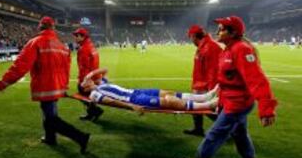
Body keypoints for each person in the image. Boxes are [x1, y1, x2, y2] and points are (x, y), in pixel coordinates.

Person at [178, 16, 278, 158]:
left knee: (215, 133)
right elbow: (228, 79)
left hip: (238, 103)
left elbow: (257, 80)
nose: (217, 31)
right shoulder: (228, 50)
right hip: (231, 101)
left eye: (222, 29)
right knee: (240, 134)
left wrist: (266, 109)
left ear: (232, 33)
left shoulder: (241, 50)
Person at [0, 17, 90, 154]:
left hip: (45, 86)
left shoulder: (35, 43)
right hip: (57, 85)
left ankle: (81, 137)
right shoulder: (61, 45)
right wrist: (64, 86)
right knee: (49, 114)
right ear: (53, 28)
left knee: (51, 118)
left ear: (40, 27)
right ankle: (50, 138)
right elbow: (66, 69)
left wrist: (3, 83)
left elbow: (20, 66)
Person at [81, 68, 218, 112]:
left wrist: (89, 75)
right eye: (85, 82)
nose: (88, 80)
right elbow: (110, 101)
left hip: (136, 91)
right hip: (134, 99)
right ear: (86, 88)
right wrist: (131, 106)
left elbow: (105, 69)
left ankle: (203, 97)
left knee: (166, 93)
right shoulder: (94, 94)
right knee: (167, 101)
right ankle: (207, 105)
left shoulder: (100, 84)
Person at [184, 25, 222, 137]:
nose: (191, 40)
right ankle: (198, 129)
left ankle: (228, 127)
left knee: (206, 108)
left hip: (205, 85)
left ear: (195, 36)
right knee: (196, 107)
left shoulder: (210, 47)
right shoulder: (203, 46)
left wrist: (211, 89)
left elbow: (213, 71)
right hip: (199, 84)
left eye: (191, 37)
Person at [73, 28, 104, 122]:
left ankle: (96, 111)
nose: (75, 38)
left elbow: (84, 67)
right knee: (90, 96)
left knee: (83, 95)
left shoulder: (84, 49)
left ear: (83, 37)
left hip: (87, 78)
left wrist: (83, 80)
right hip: (94, 76)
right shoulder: (91, 46)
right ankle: (91, 113)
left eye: (77, 36)